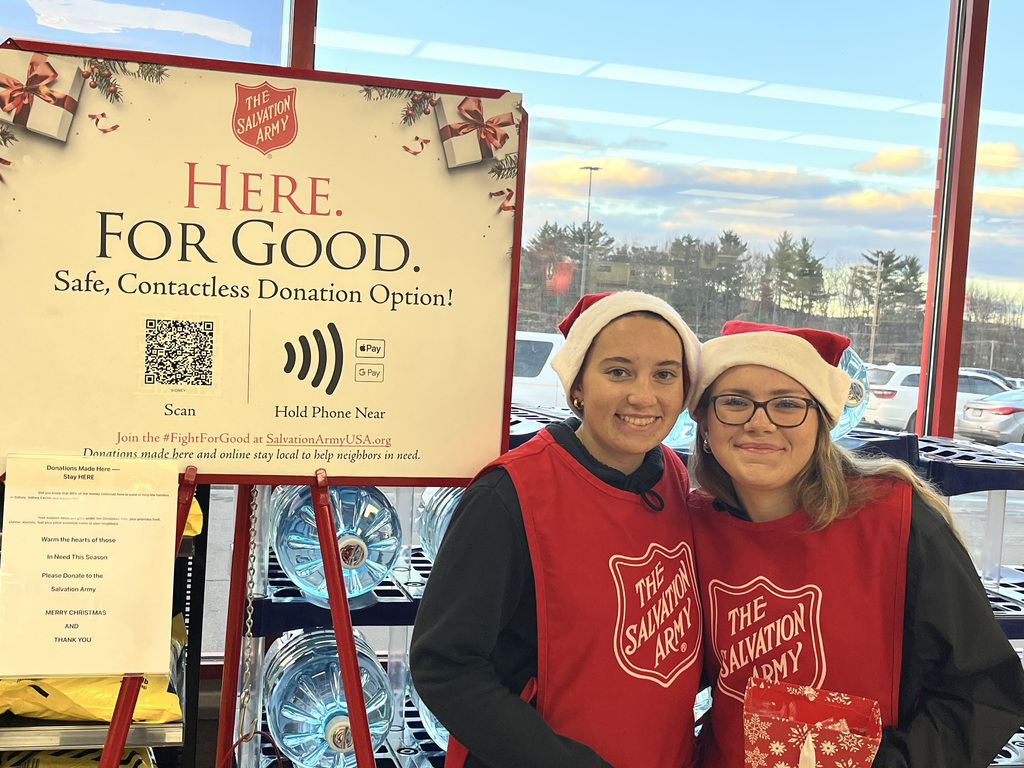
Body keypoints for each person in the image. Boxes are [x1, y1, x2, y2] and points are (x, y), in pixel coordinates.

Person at [686, 319, 1024, 768]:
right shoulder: (692, 526)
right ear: (705, 422)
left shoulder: (898, 521)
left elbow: (985, 690)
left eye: (787, 404)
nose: (759, 423)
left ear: (822, 421)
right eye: (734, 402)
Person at [410, 291, 705, 768]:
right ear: (577, 387)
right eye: (618, 371)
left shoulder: (673, 474)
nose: (643, 395)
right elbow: (444, 664)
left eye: (665, 375)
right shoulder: (509, 494)